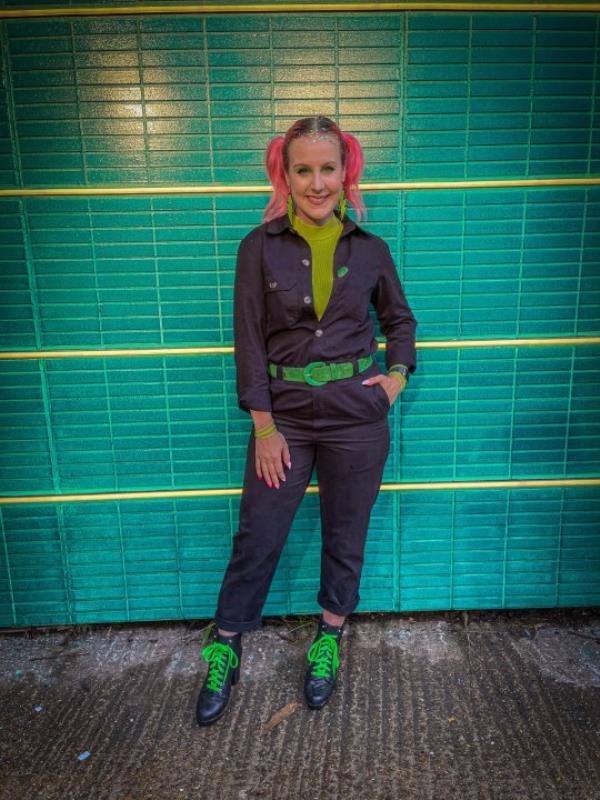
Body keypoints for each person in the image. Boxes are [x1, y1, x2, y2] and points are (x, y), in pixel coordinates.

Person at [196, 115, 417, 726]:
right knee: (258, 536)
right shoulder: (258, 247)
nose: (317, 182)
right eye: (304, 170)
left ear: (345, 173)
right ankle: (227, 643)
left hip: (356, 416)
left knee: (346, 536)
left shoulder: (370, 250)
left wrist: (394, 381)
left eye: (328, 168)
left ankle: (329, 636)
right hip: (285, 418)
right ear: (285, 176)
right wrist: (263, 426)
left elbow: (401, 322)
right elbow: (248, 341)